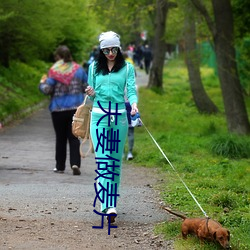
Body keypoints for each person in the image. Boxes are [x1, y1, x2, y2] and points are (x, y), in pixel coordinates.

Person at [85, 31, 138, 223]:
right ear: (101, 50)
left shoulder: (127, 68)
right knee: (104, 160)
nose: (110, 53)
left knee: (115, 162)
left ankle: (110, 203)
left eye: (114, 49)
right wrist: (90, 92)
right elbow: (91, 97)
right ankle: (107, 204)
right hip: (99, 116)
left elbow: (131, 90)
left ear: (119, 48)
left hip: (119, 118)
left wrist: (133, 104)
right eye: (106, 50)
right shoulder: (93, 68)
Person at [39, 45, 88, 175]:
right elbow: (86, 87)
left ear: (58, 57)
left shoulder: (54, 71)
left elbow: (47, 90)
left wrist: (42, 83)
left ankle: (60, 166)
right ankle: (75, 163)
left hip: (58, 109)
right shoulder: (79, 70)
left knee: (60, 138)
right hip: (75, 109)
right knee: (74, 137)